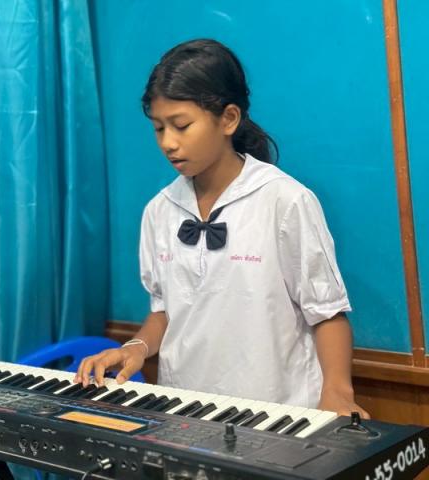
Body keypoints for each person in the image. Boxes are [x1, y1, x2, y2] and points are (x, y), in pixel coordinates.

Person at [74, 38, 368, 417]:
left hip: (280, 414)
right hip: (185, 411)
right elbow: (166, 312)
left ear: (228, 118)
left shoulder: (285, 201)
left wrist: (338, 393)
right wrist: (135, 348)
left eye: (181, 126)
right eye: (159, 128)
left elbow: (326, 313)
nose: (168, 143)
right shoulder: (159, 210)